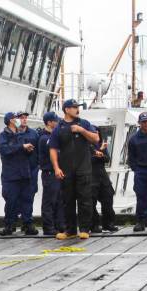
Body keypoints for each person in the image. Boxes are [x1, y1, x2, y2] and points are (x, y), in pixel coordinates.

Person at [49, 99, 100, 240]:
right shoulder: (58, 127)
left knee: (85, 200)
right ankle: (70, 230)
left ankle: (84, 229)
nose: (77, 109)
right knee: (67, 201)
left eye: (78, 107)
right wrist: (56, 168)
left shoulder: (84, 123)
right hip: (66, 170)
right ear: (66, 110)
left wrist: (82, 130)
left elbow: (96, 139)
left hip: (83, 169)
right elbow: (53, 149)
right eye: (74, 107)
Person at [0, 112, 38, 237]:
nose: (19, 120)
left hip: (24, 173)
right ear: (10, 121)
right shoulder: (3, 135)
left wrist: (28, 150)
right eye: (16, 118)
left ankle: (28, 223)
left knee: (27, 199)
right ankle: (9, 225)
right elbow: (3, 149)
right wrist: (21, 147)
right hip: (11, 175)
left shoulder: (20, 135)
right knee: (11, 200)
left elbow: (23, 150)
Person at [37, 112, 64, 236]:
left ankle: (59, 226)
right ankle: (48, 227)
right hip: (49, 172)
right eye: (55, 121)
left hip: (57, 172)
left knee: (59, 200)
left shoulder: (53, 137)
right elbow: (55, 153)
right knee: (49, 200)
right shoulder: (44, 139)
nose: (58, 123)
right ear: (49, 122)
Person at [90, 140, 118, 233]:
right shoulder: (84, 145)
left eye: (97, 132)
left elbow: (107, 159)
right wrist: (98, 154)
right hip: (90, 178)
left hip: (103, 177)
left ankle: (108, 223)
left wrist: (100, 153)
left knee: (108, 198)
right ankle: (94, 225)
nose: (96, 134)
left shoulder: (100, 144)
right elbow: (85, 160)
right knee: (91, 203)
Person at [18, 113, 39, 232]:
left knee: (29, 196)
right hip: (17, 171)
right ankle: (14, 221)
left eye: (25, 117)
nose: (24, 119)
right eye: (21, 117)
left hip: (31, 170)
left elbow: (39, 151)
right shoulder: (11, 134)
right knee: (14, 196)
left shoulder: (33, 134)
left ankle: (27, 221)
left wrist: (37, 164)